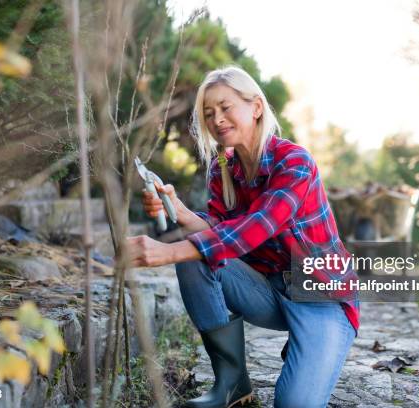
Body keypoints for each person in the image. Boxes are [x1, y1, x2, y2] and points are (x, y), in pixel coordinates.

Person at [128, 66, 359, 408]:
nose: (216, 119)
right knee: (197, 261)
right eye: (208, 113)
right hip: (267, 290)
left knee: (295, 404)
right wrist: (180, 211)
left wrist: (168, 252)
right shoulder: (223, 167)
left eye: (225, 107)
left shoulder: (295, 163)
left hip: (320, 296)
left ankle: (309, 348)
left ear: (256, 107)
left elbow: (256, 227)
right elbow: (221, 231)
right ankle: (232, 384)